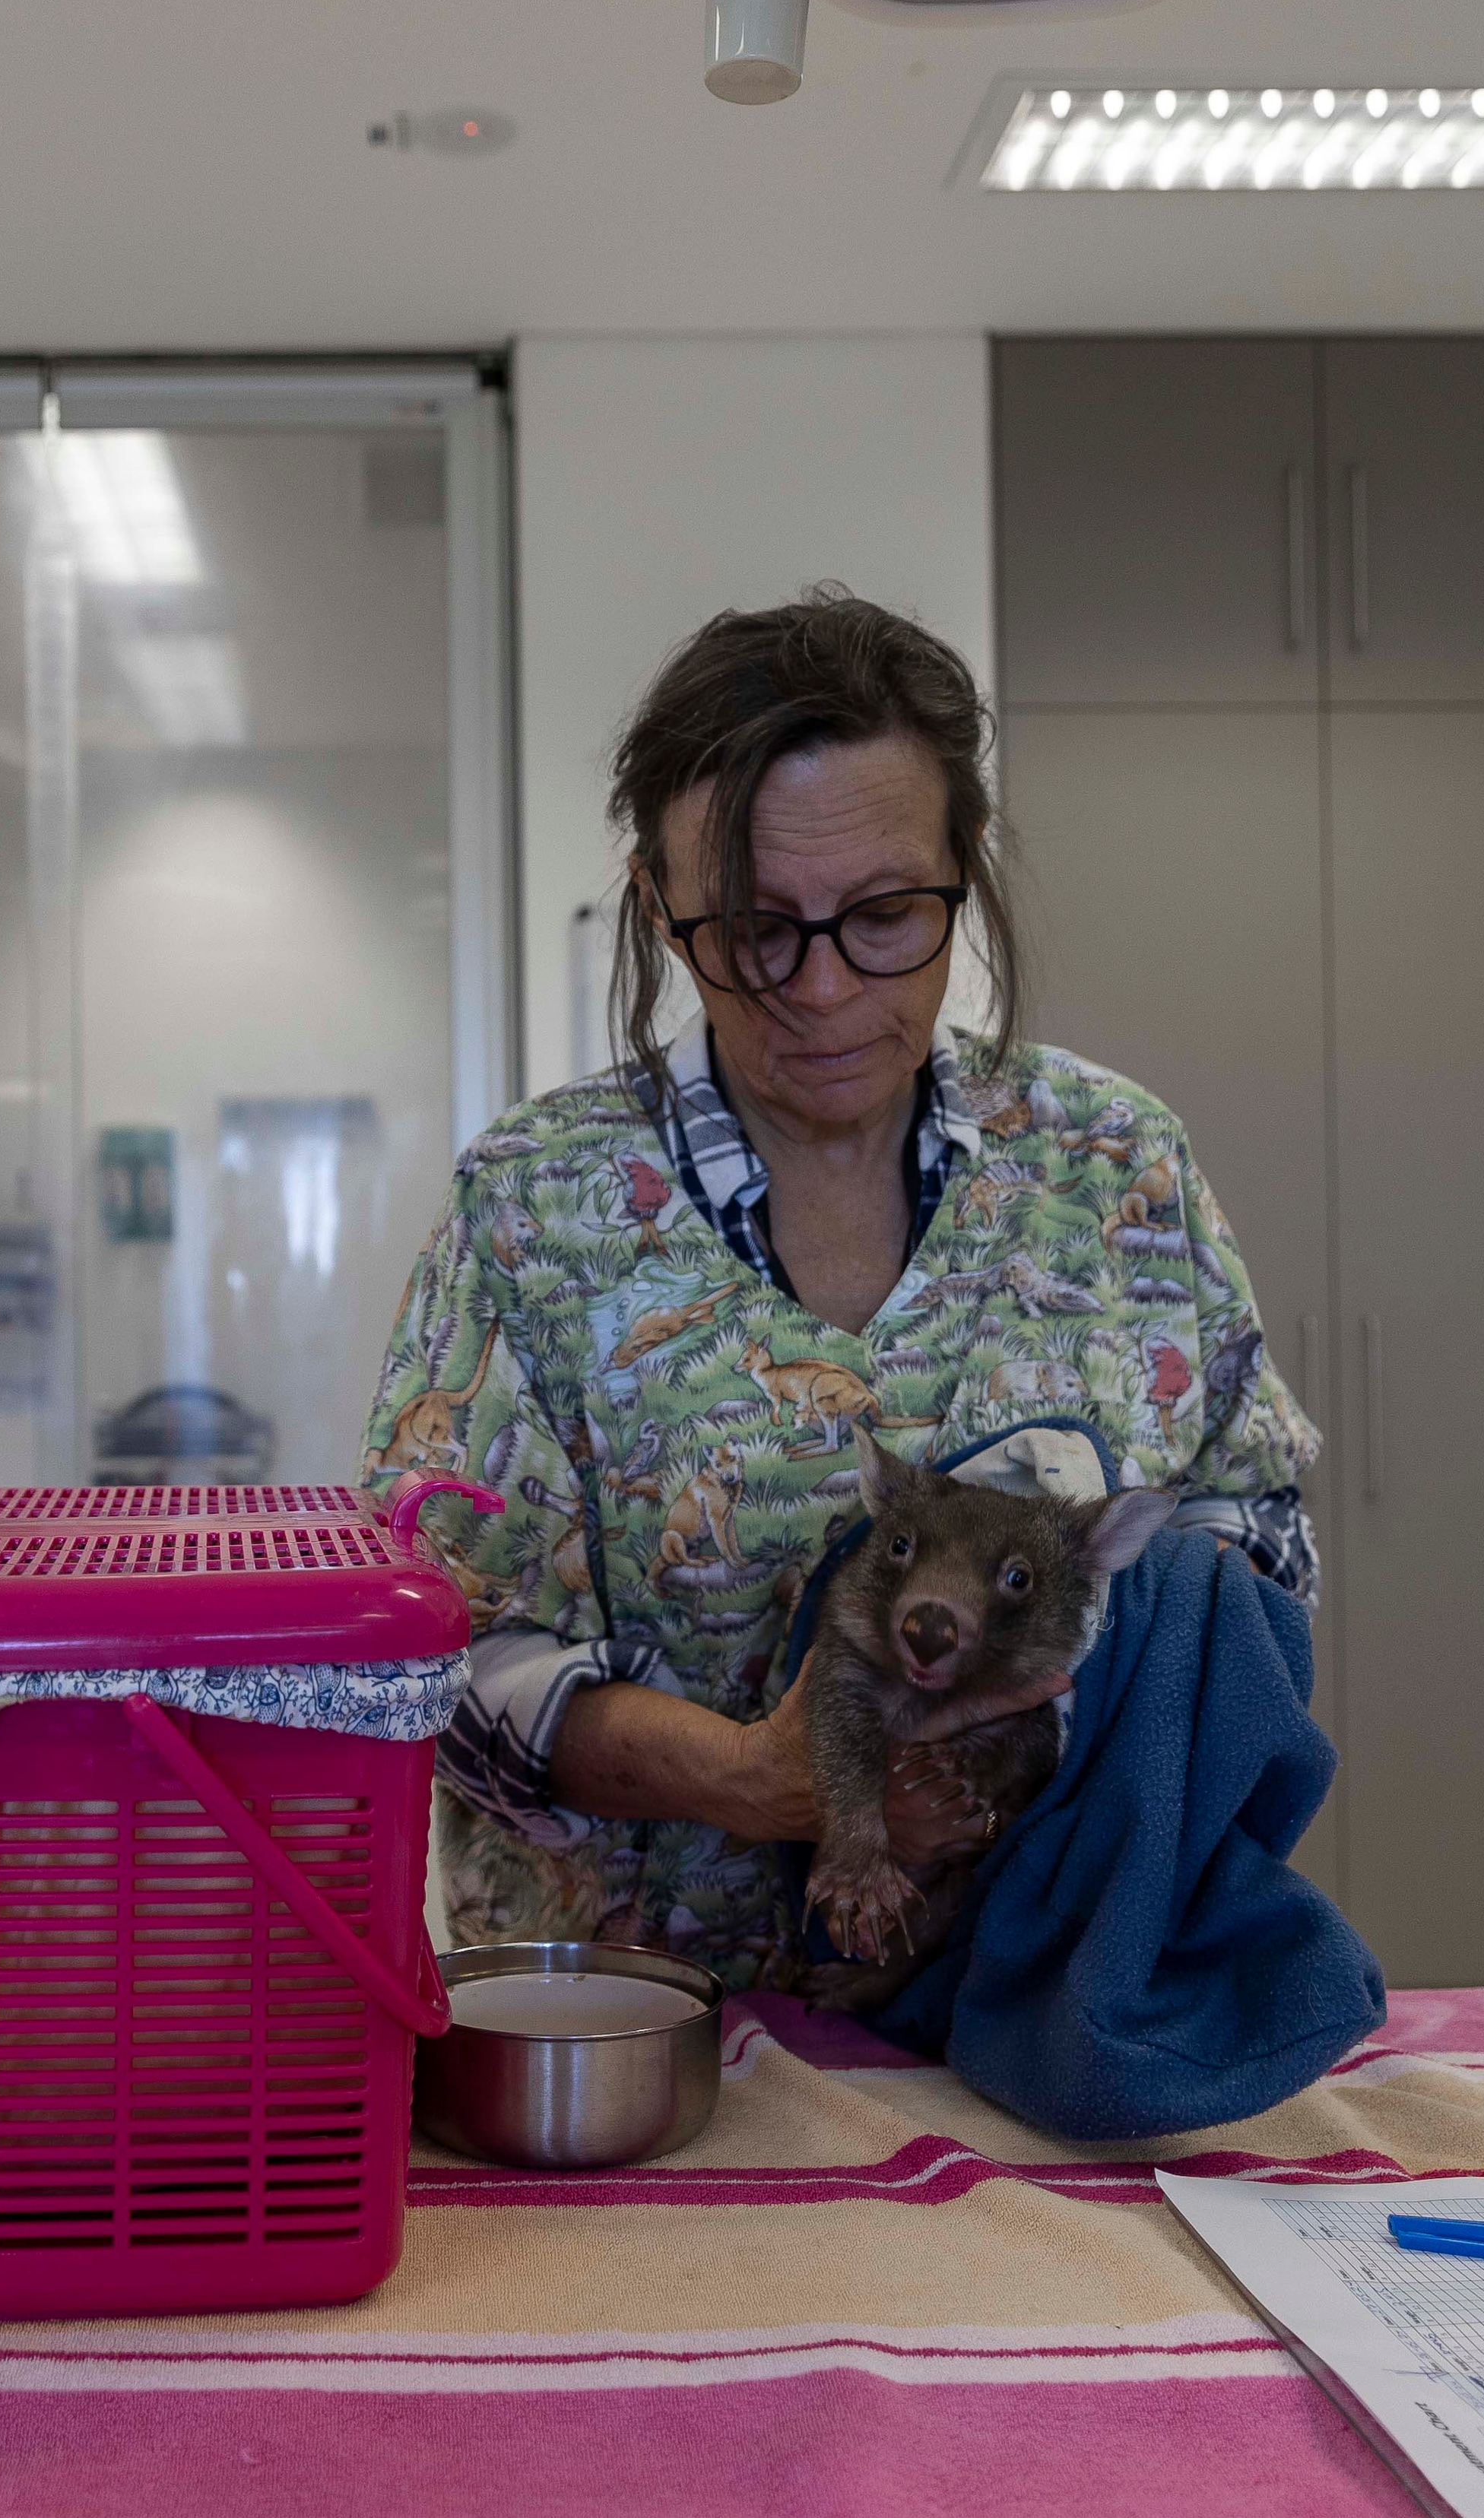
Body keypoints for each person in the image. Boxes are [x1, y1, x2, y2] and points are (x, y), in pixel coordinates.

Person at [362, 588, 1320, 1985]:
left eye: (882, 915)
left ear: (965, 870)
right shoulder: (536, 1207)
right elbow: (430, 1664)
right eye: (756, 929)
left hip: (1052, 2015)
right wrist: (756, 1774)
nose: (818, 990)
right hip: (642, 2048)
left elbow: (1260, 1534)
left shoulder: (1113, 1166)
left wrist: (1080, 1675)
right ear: (657, 903)